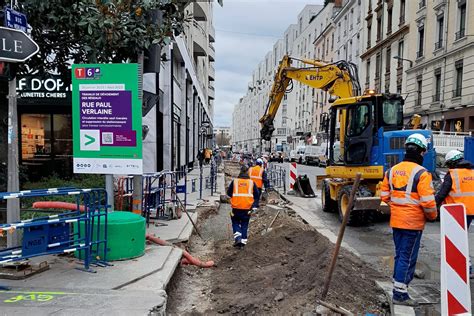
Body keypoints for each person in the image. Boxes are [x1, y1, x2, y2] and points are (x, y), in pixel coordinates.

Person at [380, 133, 437, 307]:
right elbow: (428, 203)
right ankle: (400, 294)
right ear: (421, 152)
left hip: (397, 222)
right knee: (407, 257)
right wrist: (433, 216)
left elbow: (384, 196)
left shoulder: (392, 171)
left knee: (400, 255)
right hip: (412, 224)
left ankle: (398, 285)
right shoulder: (422, 173)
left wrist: (398, 207)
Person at [435, 150, 474, 277]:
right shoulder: (473, 172)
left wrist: (431, 206)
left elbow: (442, 194)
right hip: (471, 209)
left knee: (459, 242)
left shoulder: (452, 174)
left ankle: (466, 267)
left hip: (459, 212)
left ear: (451, 162)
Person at [227, 165, 260, 248]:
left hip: (236, 207)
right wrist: (254, 205)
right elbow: (257, 195)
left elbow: (228, 193)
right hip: (247, 208)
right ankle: (243, 243)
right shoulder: (251, 182)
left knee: (235, 222)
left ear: (240, 172)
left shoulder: (235, 181)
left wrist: (235, 197)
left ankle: (238, 238)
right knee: (245, 224)